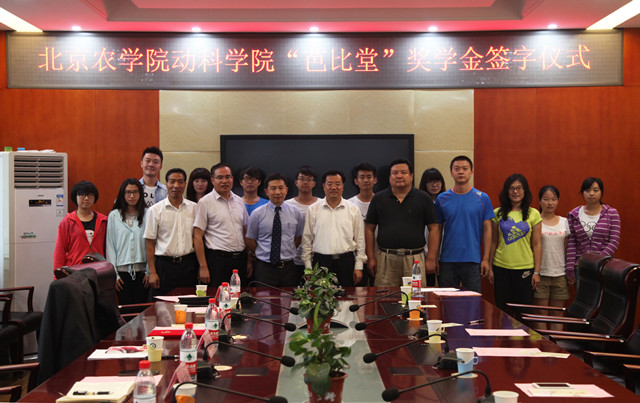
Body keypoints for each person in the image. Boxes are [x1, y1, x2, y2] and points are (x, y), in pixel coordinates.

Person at [365, 159, 438, 286]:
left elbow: (434, 228)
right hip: (386, 258)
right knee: (384, 295)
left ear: (411, 176)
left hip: (414, 258)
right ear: (389, 177)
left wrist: (431, 258)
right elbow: (369, 229)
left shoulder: (423, 198)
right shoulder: (378, 198)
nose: (399, 176)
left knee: (415, 296)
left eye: (403, 172)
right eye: (395, 173)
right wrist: (371, 258)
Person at [434, 156, 494, 293]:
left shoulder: (483, 198)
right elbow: (437, 230)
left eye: (465, 168)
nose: (461, 172)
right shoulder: (441, 199)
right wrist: (435, 258)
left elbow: (487, 230)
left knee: (472, 301)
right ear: (451, 172)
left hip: (472, 260)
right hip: (447, 261)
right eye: (457, 169)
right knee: (447, 301)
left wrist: (486, 259)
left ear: (471, 172)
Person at [302, 171, 366, 286]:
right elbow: (307, 241)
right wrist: (308, 268)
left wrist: (359, 267)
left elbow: (360, 240)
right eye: (329, 184)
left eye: (337, 184)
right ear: (323, 186)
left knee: (347, 295)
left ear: (343, 186)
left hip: (346, 262)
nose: (333, 187)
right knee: (321, 296)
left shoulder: (353, 209)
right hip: (321, 262)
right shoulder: (313, 209)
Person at [490, 173, 541, 315]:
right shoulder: (497, 213)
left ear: (525, 191)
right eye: (511, 188)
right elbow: (493, 242)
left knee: (523, 312)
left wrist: (537, 272)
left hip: (525, 268)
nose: (515, 192)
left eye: (519, 188)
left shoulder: (534, 214)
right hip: (501, 267)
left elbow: (537, 245)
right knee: (502, 311)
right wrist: (489, 266)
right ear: (506, 191)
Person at [144, 168, 199, 296]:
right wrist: (152, 272)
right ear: (166, 184)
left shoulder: (194, 208)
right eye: (172, 181)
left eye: (180, 182)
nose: (176, 185)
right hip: (164, 266)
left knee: (188, 303)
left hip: (189, 264)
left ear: (185, 184)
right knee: (163, 305)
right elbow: (149, 243)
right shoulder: (155, 210)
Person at [193, 163, 249, 289]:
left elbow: (245, 230)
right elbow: (197, 236)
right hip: (218, 261)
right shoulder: (205, 202)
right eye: (220, 177)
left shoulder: (239, 201)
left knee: (240, 296)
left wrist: (249, 259)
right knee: (219, 297)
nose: (225, 181)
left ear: (232, 179)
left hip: (240, 259)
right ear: (212, 180)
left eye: (228, 177)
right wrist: (203, 266)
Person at [246, 174, 304, 286]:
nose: (277, 192)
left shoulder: (296, 213)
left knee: (288, 297)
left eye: (281, 188)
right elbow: (250, 240)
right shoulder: (257, 214)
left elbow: (298, 238)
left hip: (289, 268)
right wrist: (263, 252)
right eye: (273, 188)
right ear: (266, 191)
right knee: (262, 296)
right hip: (264, 268)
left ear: (286, 190)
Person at [566, 177, 621, 282]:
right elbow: (572, 242)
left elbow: (614, 241)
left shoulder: (612, 213)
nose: (591, 194)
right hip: (580, 266)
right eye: (587, 190)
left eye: (595, 190)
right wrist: (569, 268)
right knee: (582, 293)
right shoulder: (574, 214)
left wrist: (598, 261)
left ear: (601, 192)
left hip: (604, 267)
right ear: (582, 193)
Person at [106, 178, 149, 304]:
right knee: (126, 309)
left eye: (135, 192)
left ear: (140, 194)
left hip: (143, 273)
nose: (132, 196)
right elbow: (110, 246)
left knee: (142, 310)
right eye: (128, 192)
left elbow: (151, 244)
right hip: (122, 274)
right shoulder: (114, 215)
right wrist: (114, 275)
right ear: (122, 194)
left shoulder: (147, 214)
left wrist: (149, 271)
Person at [534, 185, 570, 331]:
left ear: (558, 201)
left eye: (553, 199)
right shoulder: (535, 221)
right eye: (546, 199)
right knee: (540, 314)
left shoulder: (564, 222)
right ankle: (542, 343)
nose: (550, 203)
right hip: (540, 274)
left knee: (557, 314)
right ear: (539, 201)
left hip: (560, 274)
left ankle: (556, 344)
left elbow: (567, 248)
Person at [53, 180, 107, 270]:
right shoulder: (67, 222)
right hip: (75, 271)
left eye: (90, 195)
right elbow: (59, 251)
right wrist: (58, 274)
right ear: (75, 197)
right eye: (82, 195)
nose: (86, 198)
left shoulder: (103, 221)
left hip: (98, 270)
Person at [285, 166, 319, 273]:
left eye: (309, 179)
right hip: (292, 258)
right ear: (296, 182)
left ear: (314, 183)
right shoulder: (287, 205)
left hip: (317, 257)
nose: (305, 182)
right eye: (302, 179)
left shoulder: (321, 204)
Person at [348, 162, 377, 286]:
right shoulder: (349, 204)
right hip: (356, 259)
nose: (365, 180)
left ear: (375, 180)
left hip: (379, 257)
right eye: (362, 177)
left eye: (369, 177)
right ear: (356, 181)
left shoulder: (381, 201)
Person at [419, 167, 447, 286]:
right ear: (424, 184)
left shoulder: (447, 201)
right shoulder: (419, 202)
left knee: (445, 287)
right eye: (430, 181)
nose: (434, 185)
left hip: (444, 253)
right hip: (424, 253)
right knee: (426, 287)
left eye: (437, 181)